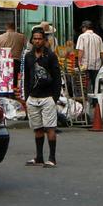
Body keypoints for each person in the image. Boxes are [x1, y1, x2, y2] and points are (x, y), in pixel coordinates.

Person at [20, 28, 62, 166]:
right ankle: (39, 157)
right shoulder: (28, 56)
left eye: (40, 38)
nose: (37, 41)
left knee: (50, 128)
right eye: (35, 38)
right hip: (33, 98)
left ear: (44, 40)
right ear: (32, 40)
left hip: (47, 98)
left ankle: (52, 158)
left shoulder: (50, 56)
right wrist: (26, 97)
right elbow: (26, 77)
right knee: (37, 129)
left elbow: (57, 78)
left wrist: (54, 98)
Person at [74, 21, 103, 95]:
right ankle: (96, 103)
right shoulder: (98, 37)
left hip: (85, 65)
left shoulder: (82, 37)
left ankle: (86, 100)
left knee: (84, 83)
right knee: (96, 83)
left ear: (85, 28)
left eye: (82, 28)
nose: (82, 29)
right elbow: (102, 53)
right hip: (96, 65)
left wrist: (79, 62)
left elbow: (80, 51)